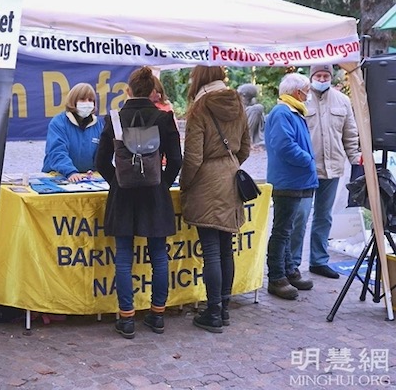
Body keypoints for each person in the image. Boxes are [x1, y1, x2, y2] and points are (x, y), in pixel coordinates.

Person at [95, 66, 182, 339]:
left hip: (123, 194)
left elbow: (100, 162)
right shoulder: (164, 118)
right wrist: (162, 184)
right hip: (155, 194)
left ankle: (127, 318)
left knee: (123, 256)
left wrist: (116, 182)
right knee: (159, 255)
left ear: (129, 90)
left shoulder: (116, 119)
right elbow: (177, 160)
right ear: (153, 91)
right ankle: (157, 315)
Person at [179, 66, 250, 333]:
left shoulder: (199, 108)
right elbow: (245, 147)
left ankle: (213, 313)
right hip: (231, 178)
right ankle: (224, 308)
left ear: (199, 79)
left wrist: (186, 184)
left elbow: (193, 157)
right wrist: (229, 165)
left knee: (210, 250)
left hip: (206, 182)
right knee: (225, 248)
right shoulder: (238, 104)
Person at [291, 65, 361, 279]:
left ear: (331, 77)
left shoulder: (343, 101)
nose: (322, 79)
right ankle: (293, 263)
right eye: (318, 75)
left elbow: (350, 133)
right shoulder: (300, 99)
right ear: (311, 77)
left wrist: (355, 158)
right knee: (300, 215)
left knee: (324, 216)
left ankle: (318, 261)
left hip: (333, 167)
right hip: (306, 169)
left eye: (326, 75)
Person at [265, 72, 317, 300]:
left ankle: (288, 270)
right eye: (306, 90)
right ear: (297, 92)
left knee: (287, 230)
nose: (308, 94)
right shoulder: (282, 112)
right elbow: (284, 146)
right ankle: (276, 277)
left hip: (297, 180)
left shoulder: (293, 111)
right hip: (288, 180)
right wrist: (307, 159)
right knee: (282, 230)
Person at [42, 83, 104, 183]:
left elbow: (101, 154)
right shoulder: (58, 122)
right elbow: (56, 152)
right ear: (73, 101)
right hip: (57, 177)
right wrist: (71, 172)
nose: (87, 103)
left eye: (90, 100)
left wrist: (95, 170)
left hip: (86, 179)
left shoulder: (98, 125)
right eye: (83, 99)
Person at [237, 83, 266, 149]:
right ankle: (247, 140)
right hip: (240, 126)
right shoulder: (236, 101)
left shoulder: (252, 103)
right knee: (258, 108)